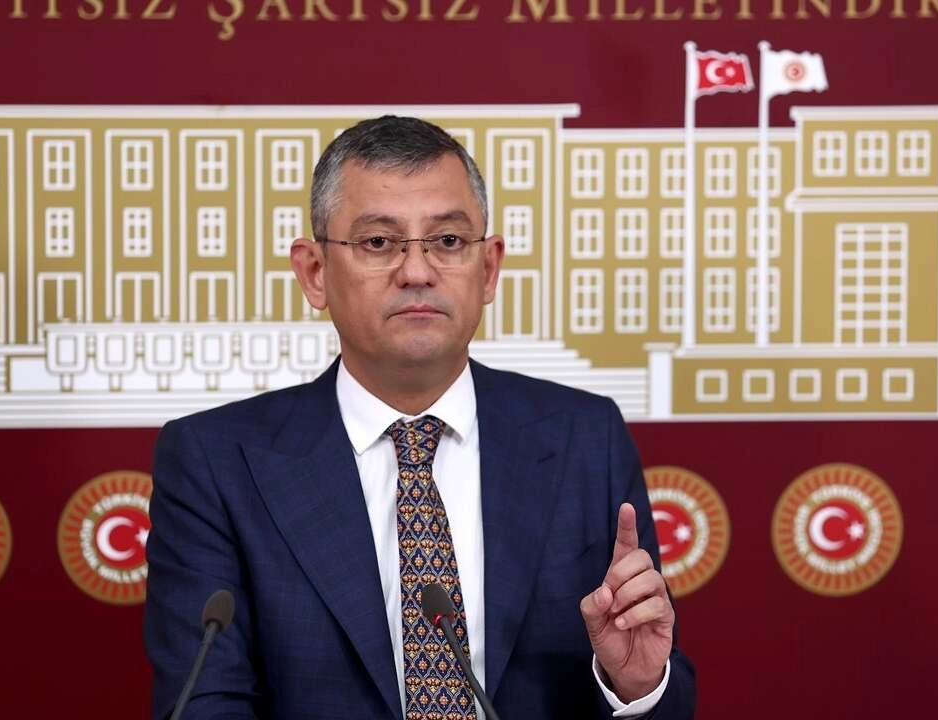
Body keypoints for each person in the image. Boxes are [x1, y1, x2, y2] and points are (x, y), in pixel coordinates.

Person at [144, 116, 696, 719]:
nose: (416, 271)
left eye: (448, 241)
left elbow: (662, 695)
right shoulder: (216, 462)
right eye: (379, 243)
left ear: (488, 269)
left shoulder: (584, 438)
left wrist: (636, 686)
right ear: (314, 273)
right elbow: (205, 703)